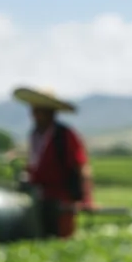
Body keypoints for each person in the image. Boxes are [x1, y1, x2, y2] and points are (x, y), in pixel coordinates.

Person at [12, 87, 95, 239]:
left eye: (39, 110)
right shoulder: (34, 135)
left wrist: (87, 199)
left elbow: (82, 167)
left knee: (61, 240)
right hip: (38, 199)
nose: (34, 115)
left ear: (50, 112)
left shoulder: (64, 136)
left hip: (61, 200)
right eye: (34, 110)